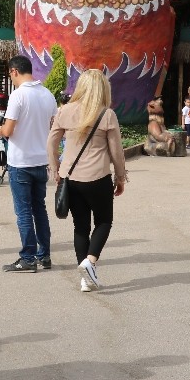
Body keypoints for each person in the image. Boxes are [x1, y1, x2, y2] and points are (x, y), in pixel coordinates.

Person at [48, 70, 126, 293]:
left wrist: (56, 170)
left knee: (80, 227)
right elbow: (116, 151)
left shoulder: (64, 111)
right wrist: (120, 177)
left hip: (70, 178)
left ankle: (85, 279)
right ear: (103, 88)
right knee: (104, 221)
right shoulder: (107, 114)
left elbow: (51, 144)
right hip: (98, 177)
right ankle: (90, 263)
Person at [0, 56, 58, 273]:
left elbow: (8, 130)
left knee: (23, 211)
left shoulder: (18, 95)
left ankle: (28, 258)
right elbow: (53, 126)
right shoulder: (48, 95)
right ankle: (45, 255)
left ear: (14, 71)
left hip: (20, 162)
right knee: (39, 209)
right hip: (41, 161)